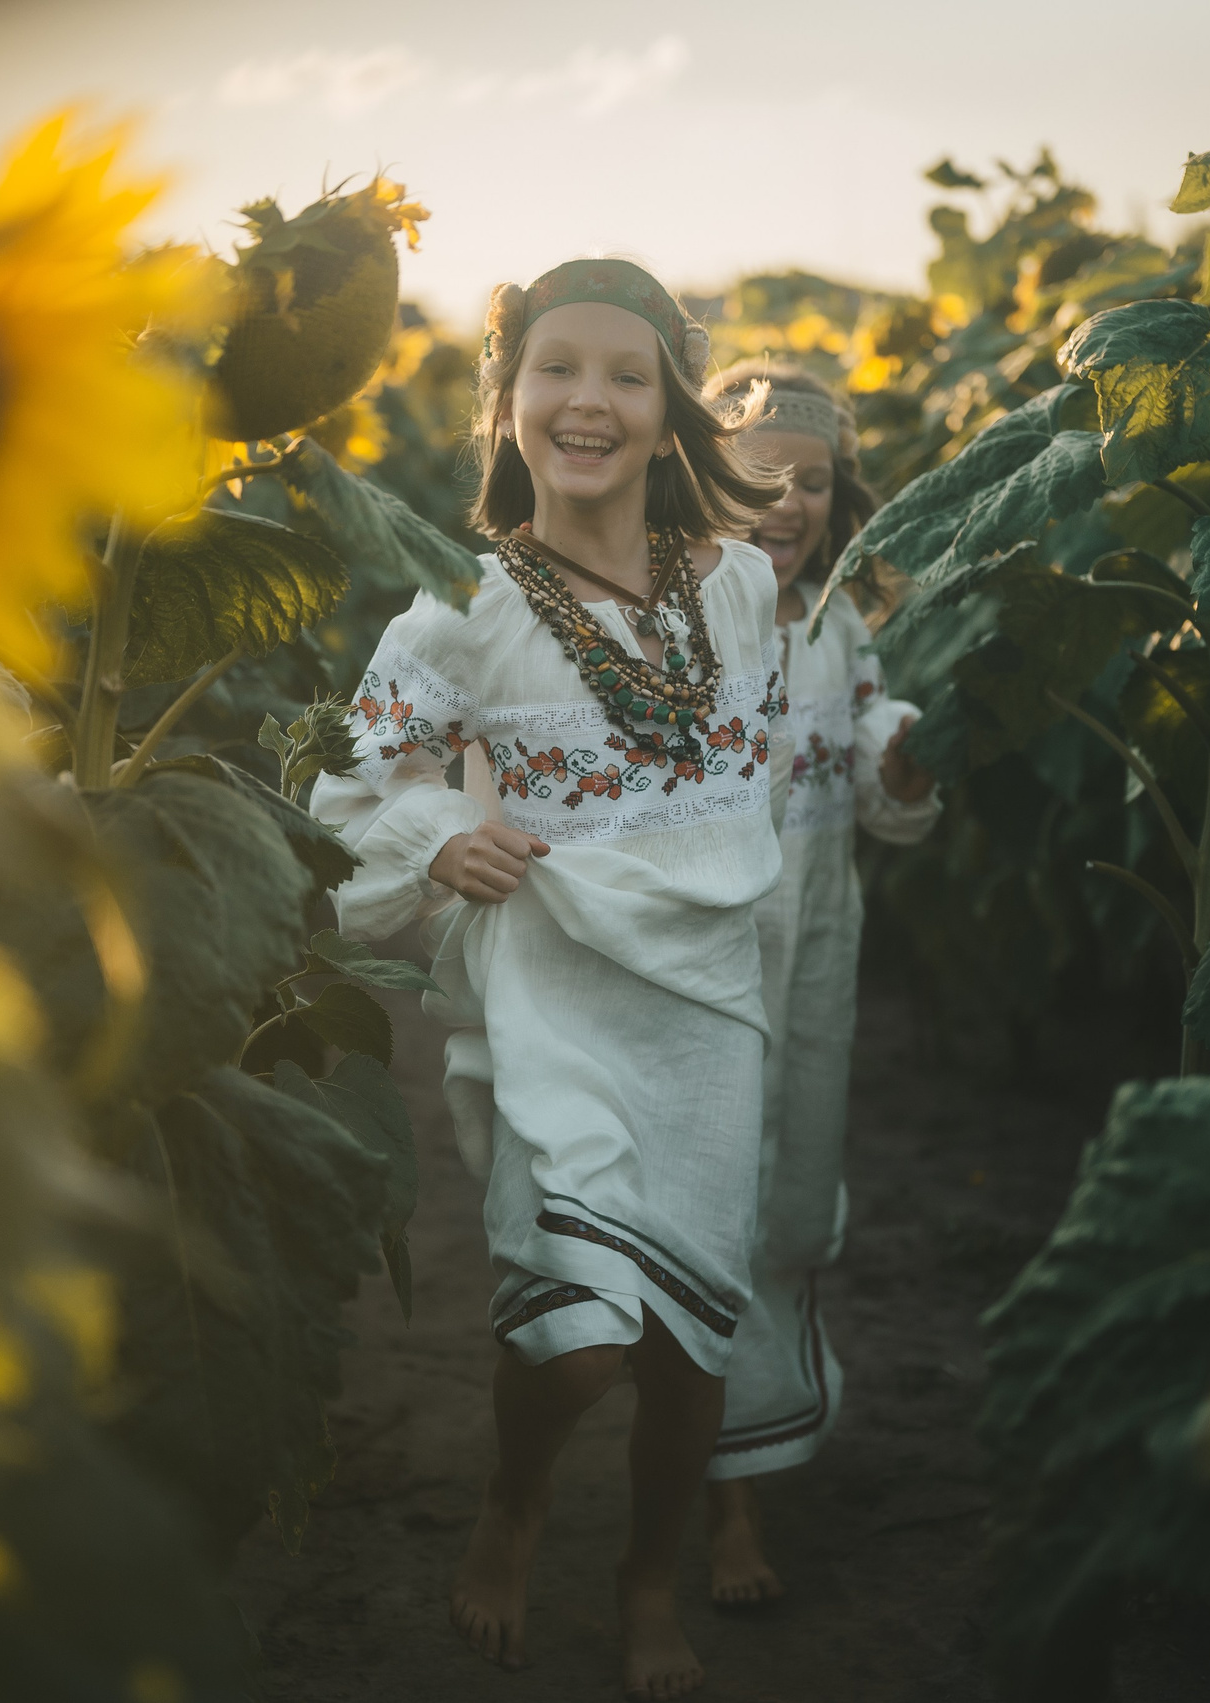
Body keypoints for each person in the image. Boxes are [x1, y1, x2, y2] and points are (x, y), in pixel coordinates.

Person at [312, 259, 790, 1700]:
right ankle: (514, 1502)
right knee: (581, 1341)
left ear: (670, 411)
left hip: (706, 1006)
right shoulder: (459, 604)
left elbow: (746, 778)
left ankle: (648, 1576)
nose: (588, 400)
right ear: (506, 400)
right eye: (555, 369)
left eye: (626, 375)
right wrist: (443, 838)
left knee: (691, 1338)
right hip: (551, 999)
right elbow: (351, 796)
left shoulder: (740, 583)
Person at [695, 360, 939, 1605]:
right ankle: (725, 1495)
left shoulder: (841, 626)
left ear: (840, 500)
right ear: (705, 482)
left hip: (818, 955)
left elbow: (881, 790)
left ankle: (752, 1420)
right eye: (756, 477)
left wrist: (904, 763)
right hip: (706, 960)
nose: (784, 502)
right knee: (718, 1197)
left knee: (793, 1191)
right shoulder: (679, 619)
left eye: (811, 481)